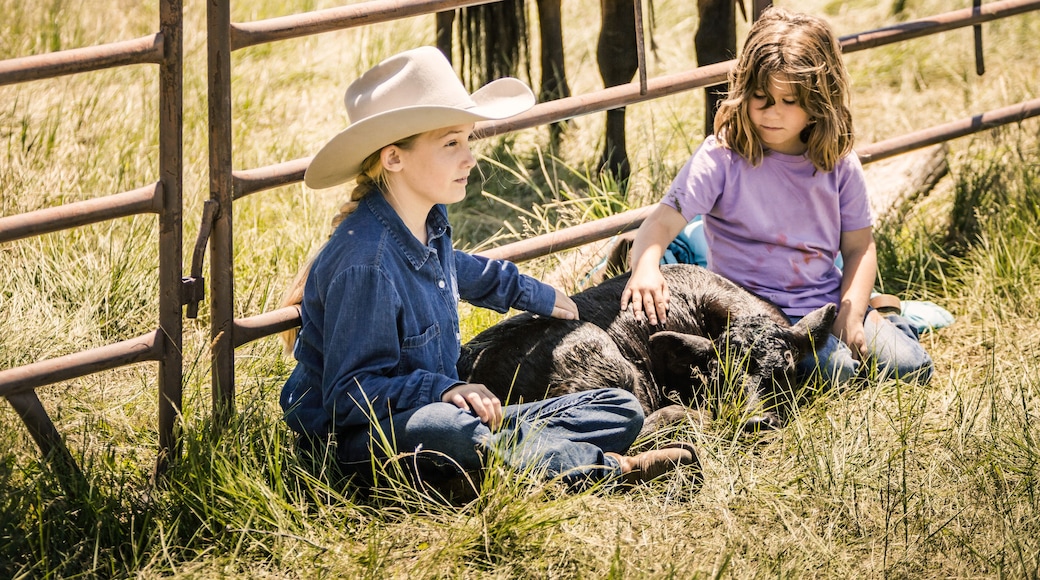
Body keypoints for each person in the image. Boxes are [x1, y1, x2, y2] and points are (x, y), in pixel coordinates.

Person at [279, 46, 695, 493]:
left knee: (619, 408)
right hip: (357, 440)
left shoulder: (425, 225)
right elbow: (349, 397)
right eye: (451, 143)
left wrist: (530, 292)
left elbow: (459, 269)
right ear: (393, 158)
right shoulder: (366, 263)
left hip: (436, 415)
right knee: (451, 429)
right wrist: (438, 391)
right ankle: (613, 470)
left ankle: (488, 468)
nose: (470, 158)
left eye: (468, 140)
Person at [620, 8, 933, 386]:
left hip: (825, 302)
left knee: (912, 368)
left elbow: (859, 247)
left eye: (790, 101)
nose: (772, 114)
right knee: (836, 370)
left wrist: (849, 315)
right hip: (749, 313)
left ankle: (884, 320)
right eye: (761, 98)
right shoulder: (722, 157)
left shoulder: (838, 162)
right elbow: (663, 221)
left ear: (819, 99)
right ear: (744, 90)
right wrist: (646, 266)